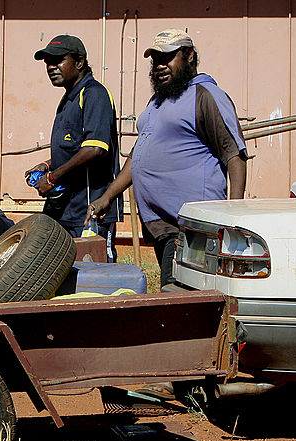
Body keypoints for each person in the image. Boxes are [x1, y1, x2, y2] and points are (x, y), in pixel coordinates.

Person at [88, 29, 248, 288]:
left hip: (192, 226)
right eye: (155, 61)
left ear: (189, 56)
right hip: (163, 225)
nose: (160, 66)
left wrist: (234, 215)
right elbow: (138, 154)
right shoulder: (157, 102)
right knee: (173, 293)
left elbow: (234, 154)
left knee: (178, 294)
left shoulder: (206, 94)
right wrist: (108, 196)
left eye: (168, 58)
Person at [26, 34, 122, 261]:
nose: (51, 67)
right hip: (67, 210)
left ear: (79, 62)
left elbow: (95, 149)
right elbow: (74, 148)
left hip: (91, 211)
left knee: (95, 278)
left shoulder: (94, 94)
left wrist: (52, 178)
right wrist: (47, 164)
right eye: (48, 62)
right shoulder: (68, 98)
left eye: (58, 60)